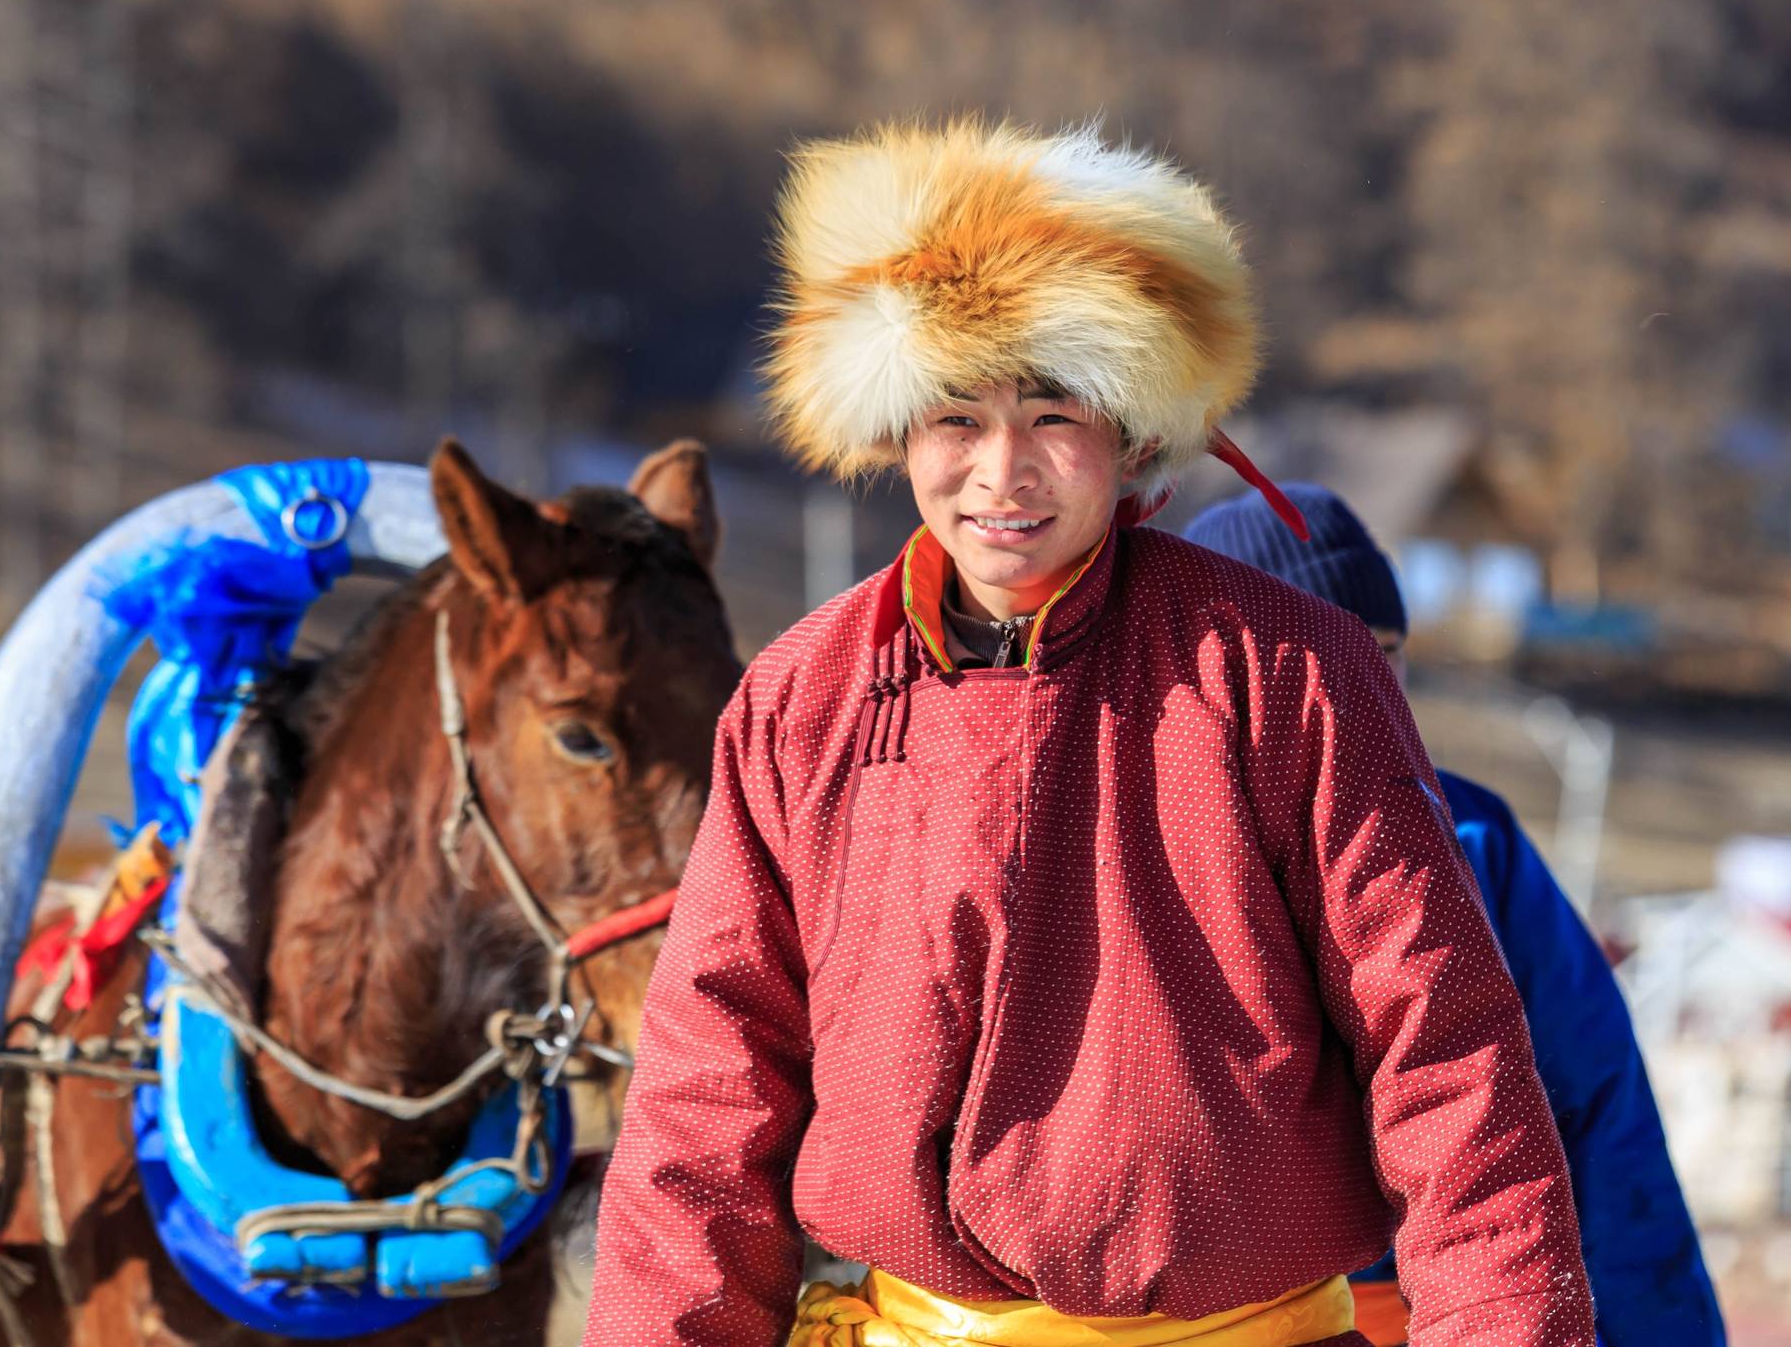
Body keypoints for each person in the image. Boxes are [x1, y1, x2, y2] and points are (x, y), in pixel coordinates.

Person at [586, 118, 1596, 1347]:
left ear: (1128, 435)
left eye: (1053, 413)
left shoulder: (1286, 673)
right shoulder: (805, 696)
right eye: (955, 416)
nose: (1000, 470)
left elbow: (1444, 1056)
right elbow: (706, 1096)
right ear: (901, 430)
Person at [1184, 484, 1726, 1347]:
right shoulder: (1141, 849)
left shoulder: (1472, 839)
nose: (1362, 683)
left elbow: (1595, 1108)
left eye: (1385, 652)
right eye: (1318, 649)